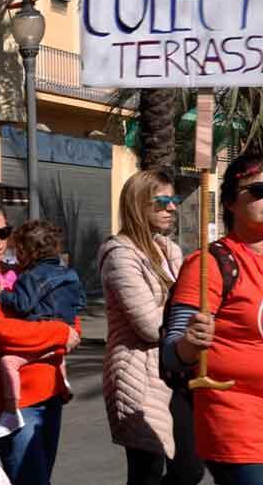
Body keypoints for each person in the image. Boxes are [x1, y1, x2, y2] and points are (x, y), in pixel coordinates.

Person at [0, 199, 79, 485]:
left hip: (49, 393)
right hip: (15, 404)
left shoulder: (23, 269)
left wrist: (63, 328)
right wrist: (59, 334)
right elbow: (0, 332)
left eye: (4, 232)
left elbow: (67, 309)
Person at [162, 152, 263, 484]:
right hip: (239, 427)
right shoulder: (211, 264)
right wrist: (191, 343)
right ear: (231, 203)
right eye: (259, 190)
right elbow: (172, 353)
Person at [100, 169, 204, 485]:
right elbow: (149, 325)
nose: (172, 207)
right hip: (138, 376)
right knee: (146, 473)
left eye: (172, 200)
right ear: (138, 204)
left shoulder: (169, 250)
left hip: (175, 371)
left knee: (190, 470)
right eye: (162, 202)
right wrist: (187, 312)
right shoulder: (120, 254)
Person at [0, 220, 85, 439]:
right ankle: (64, 383)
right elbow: (80, 301)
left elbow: (22, 304)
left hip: (45, 335)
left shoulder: (31, 276)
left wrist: (2, 293)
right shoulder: (69, 273)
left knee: (8, 362)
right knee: (57, 354)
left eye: (17, 251)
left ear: (26, 252)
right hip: (65, 335)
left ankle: (11, 411)